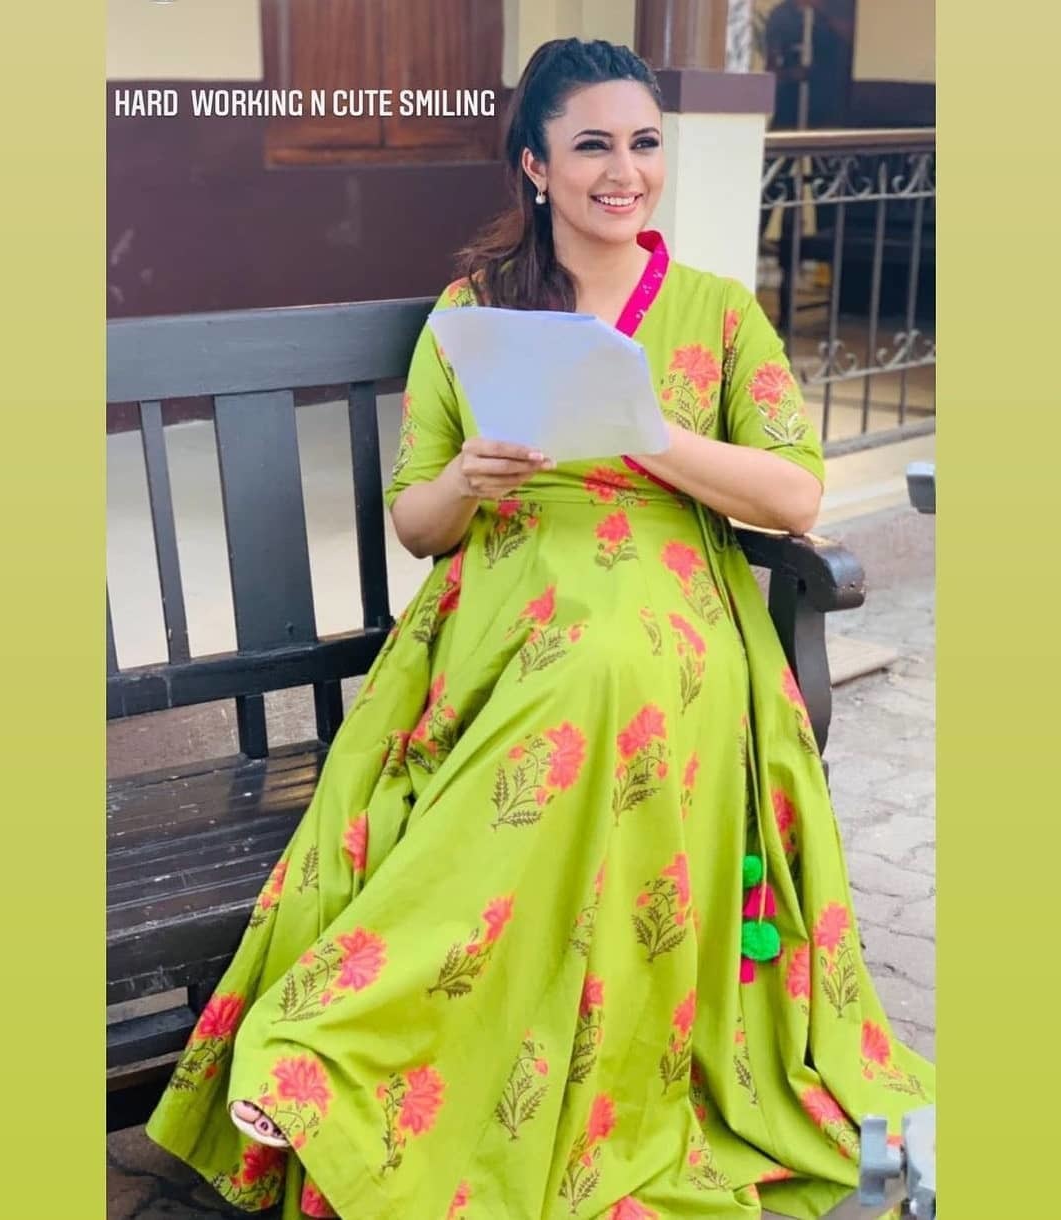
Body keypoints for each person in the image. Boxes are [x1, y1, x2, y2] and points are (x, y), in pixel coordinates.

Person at [146, 37, 933, 1220]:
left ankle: (331, 1040)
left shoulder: (719, 314)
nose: (626, 171)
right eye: (593, 146)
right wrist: (467, 477)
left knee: (607, 664)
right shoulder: (474, 316)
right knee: (572, 670)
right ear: (535, 165)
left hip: (667, 594)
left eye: (645, 143)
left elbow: (794, 493)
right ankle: (356, 1047)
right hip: (507, 593)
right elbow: (417, 523)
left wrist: (648, 434)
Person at [765, 0, 855, 130]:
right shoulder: (782, 14)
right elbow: (772, 64)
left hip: (828, 101)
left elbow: (847, 42)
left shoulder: (837, 10)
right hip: (790, 100)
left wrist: (823, 13)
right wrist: (790, 74)